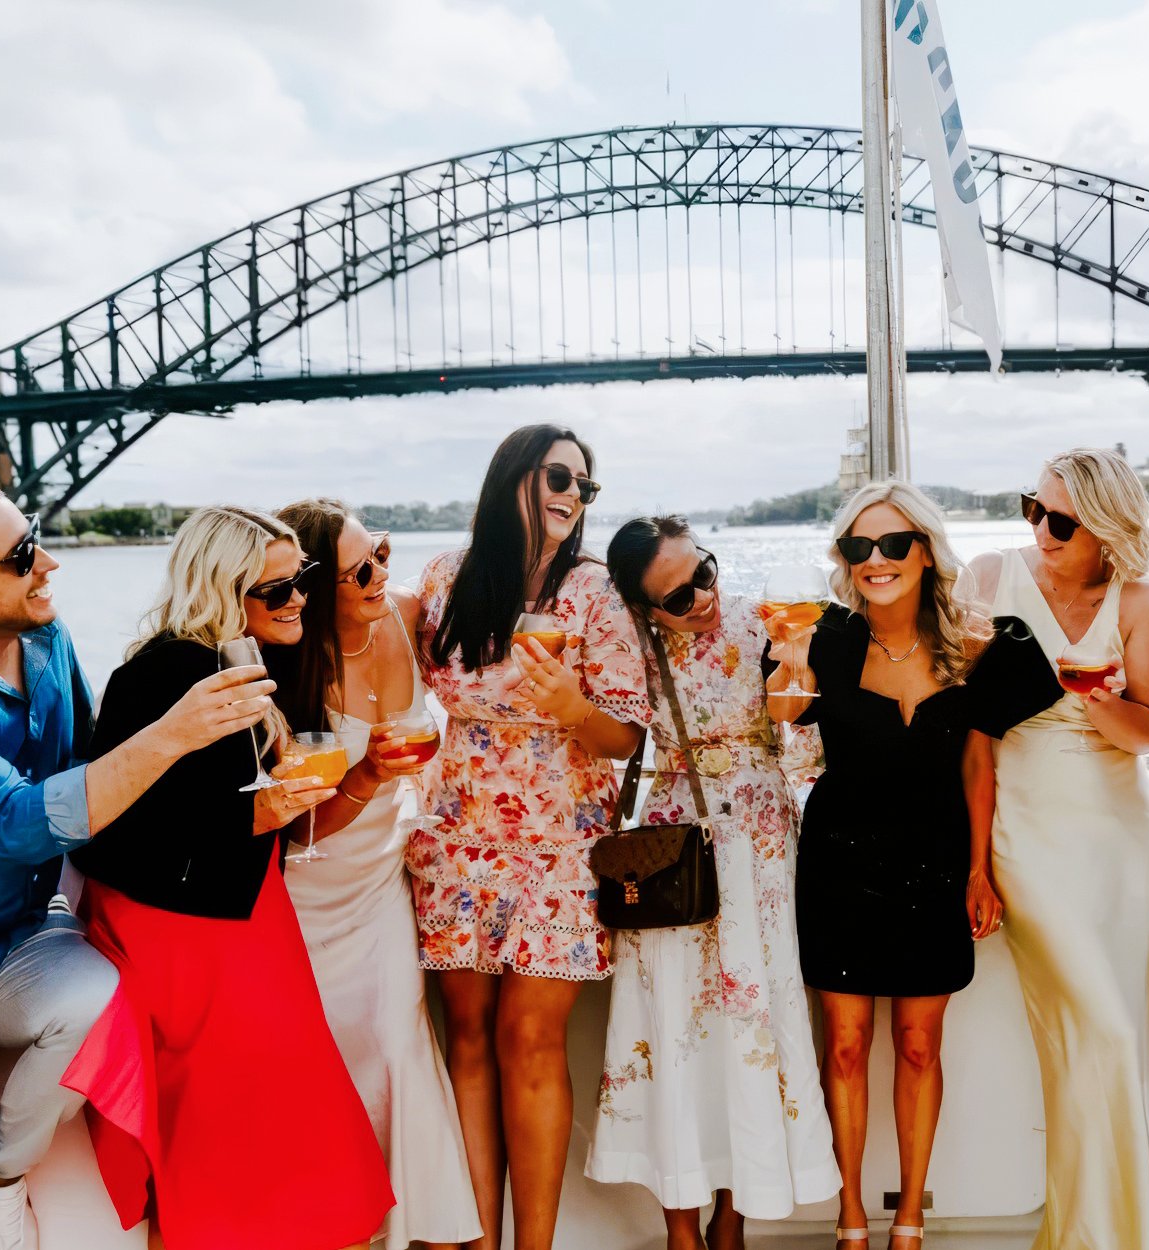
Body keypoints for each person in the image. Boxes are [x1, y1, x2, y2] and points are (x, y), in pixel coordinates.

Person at [0, 478, 275, 1250]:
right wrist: (172, 735)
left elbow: (90, 763)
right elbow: (16, 823)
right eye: (19, 555)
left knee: (101, 999)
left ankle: (5, 1164)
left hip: (17, 933)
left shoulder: (46, 638)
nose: (47, 562)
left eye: (34, 533)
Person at [63, 505, 394, 1250]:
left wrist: (338, 786)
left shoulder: (236, 659)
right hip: (185, 928)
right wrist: (279, 805)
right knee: (232, 1112)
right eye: (274, 591)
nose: (298, 600)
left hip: (240, 909)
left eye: (300, 580)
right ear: (220, 589)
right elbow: (140, 826)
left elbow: (237, 813)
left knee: (274, 1106)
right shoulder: (163, 675)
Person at [770, 482, 1056, 1250]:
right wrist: (789, 662)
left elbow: (977, 764)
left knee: (921, 1045)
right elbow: (781, 720)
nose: (876, 560)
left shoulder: (980, 642)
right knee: (845, 1044)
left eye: (894, 544)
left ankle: (910, 1219)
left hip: (934, 857)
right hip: (840, 857)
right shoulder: (821, 637)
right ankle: (852, 1218)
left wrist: (978, 870)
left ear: (926, 552)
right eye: (858, 548)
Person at [409, 424, 650, 1250]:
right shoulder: (443, 578)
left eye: (585, 485)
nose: (573, 495)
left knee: (529, 1036)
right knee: (468, 1038)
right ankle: (477, 1238)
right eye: (558, 475)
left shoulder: (596, 592)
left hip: (561, 838)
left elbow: (624, 734)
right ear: (513, 475)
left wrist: (572, 710)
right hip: (458, 830)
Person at [587, 516, 840, 1250]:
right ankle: (681, 1229)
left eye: (703, 571)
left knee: (749, 1026)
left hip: (761, 846)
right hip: (673, 849)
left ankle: (732, 1220)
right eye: (676, 597)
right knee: (671, 1026)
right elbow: (611, 737)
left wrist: (797, 666)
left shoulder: (762, 623)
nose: (701, 597)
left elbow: (800, 735)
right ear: (642, 608)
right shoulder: (628, 649)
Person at [964, 447, 1149, 1250]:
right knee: (1105, 1035)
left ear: (1109, 528)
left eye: (1060, 520)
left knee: (1122, 1035)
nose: (1040, 530)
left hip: (1121, 837)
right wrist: (976, 863)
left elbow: (1147, 731)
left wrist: (1092, 699)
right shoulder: (989, 578)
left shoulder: (1146, 599)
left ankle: (1106, 1230)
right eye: (1033, 509)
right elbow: (972, 736)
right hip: (1026, 833)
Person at [270, 500, 482, 1250]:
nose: (380, 572)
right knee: (317, 1070)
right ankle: (332, 1228)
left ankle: (421, 1233)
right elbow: (287, 822)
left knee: (396, 1044)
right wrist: (362, 778)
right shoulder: (282, 656)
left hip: (381, 881)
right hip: (304, 885)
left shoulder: (407, 613)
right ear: (311, 583)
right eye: (360, 566)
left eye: (383, 552)